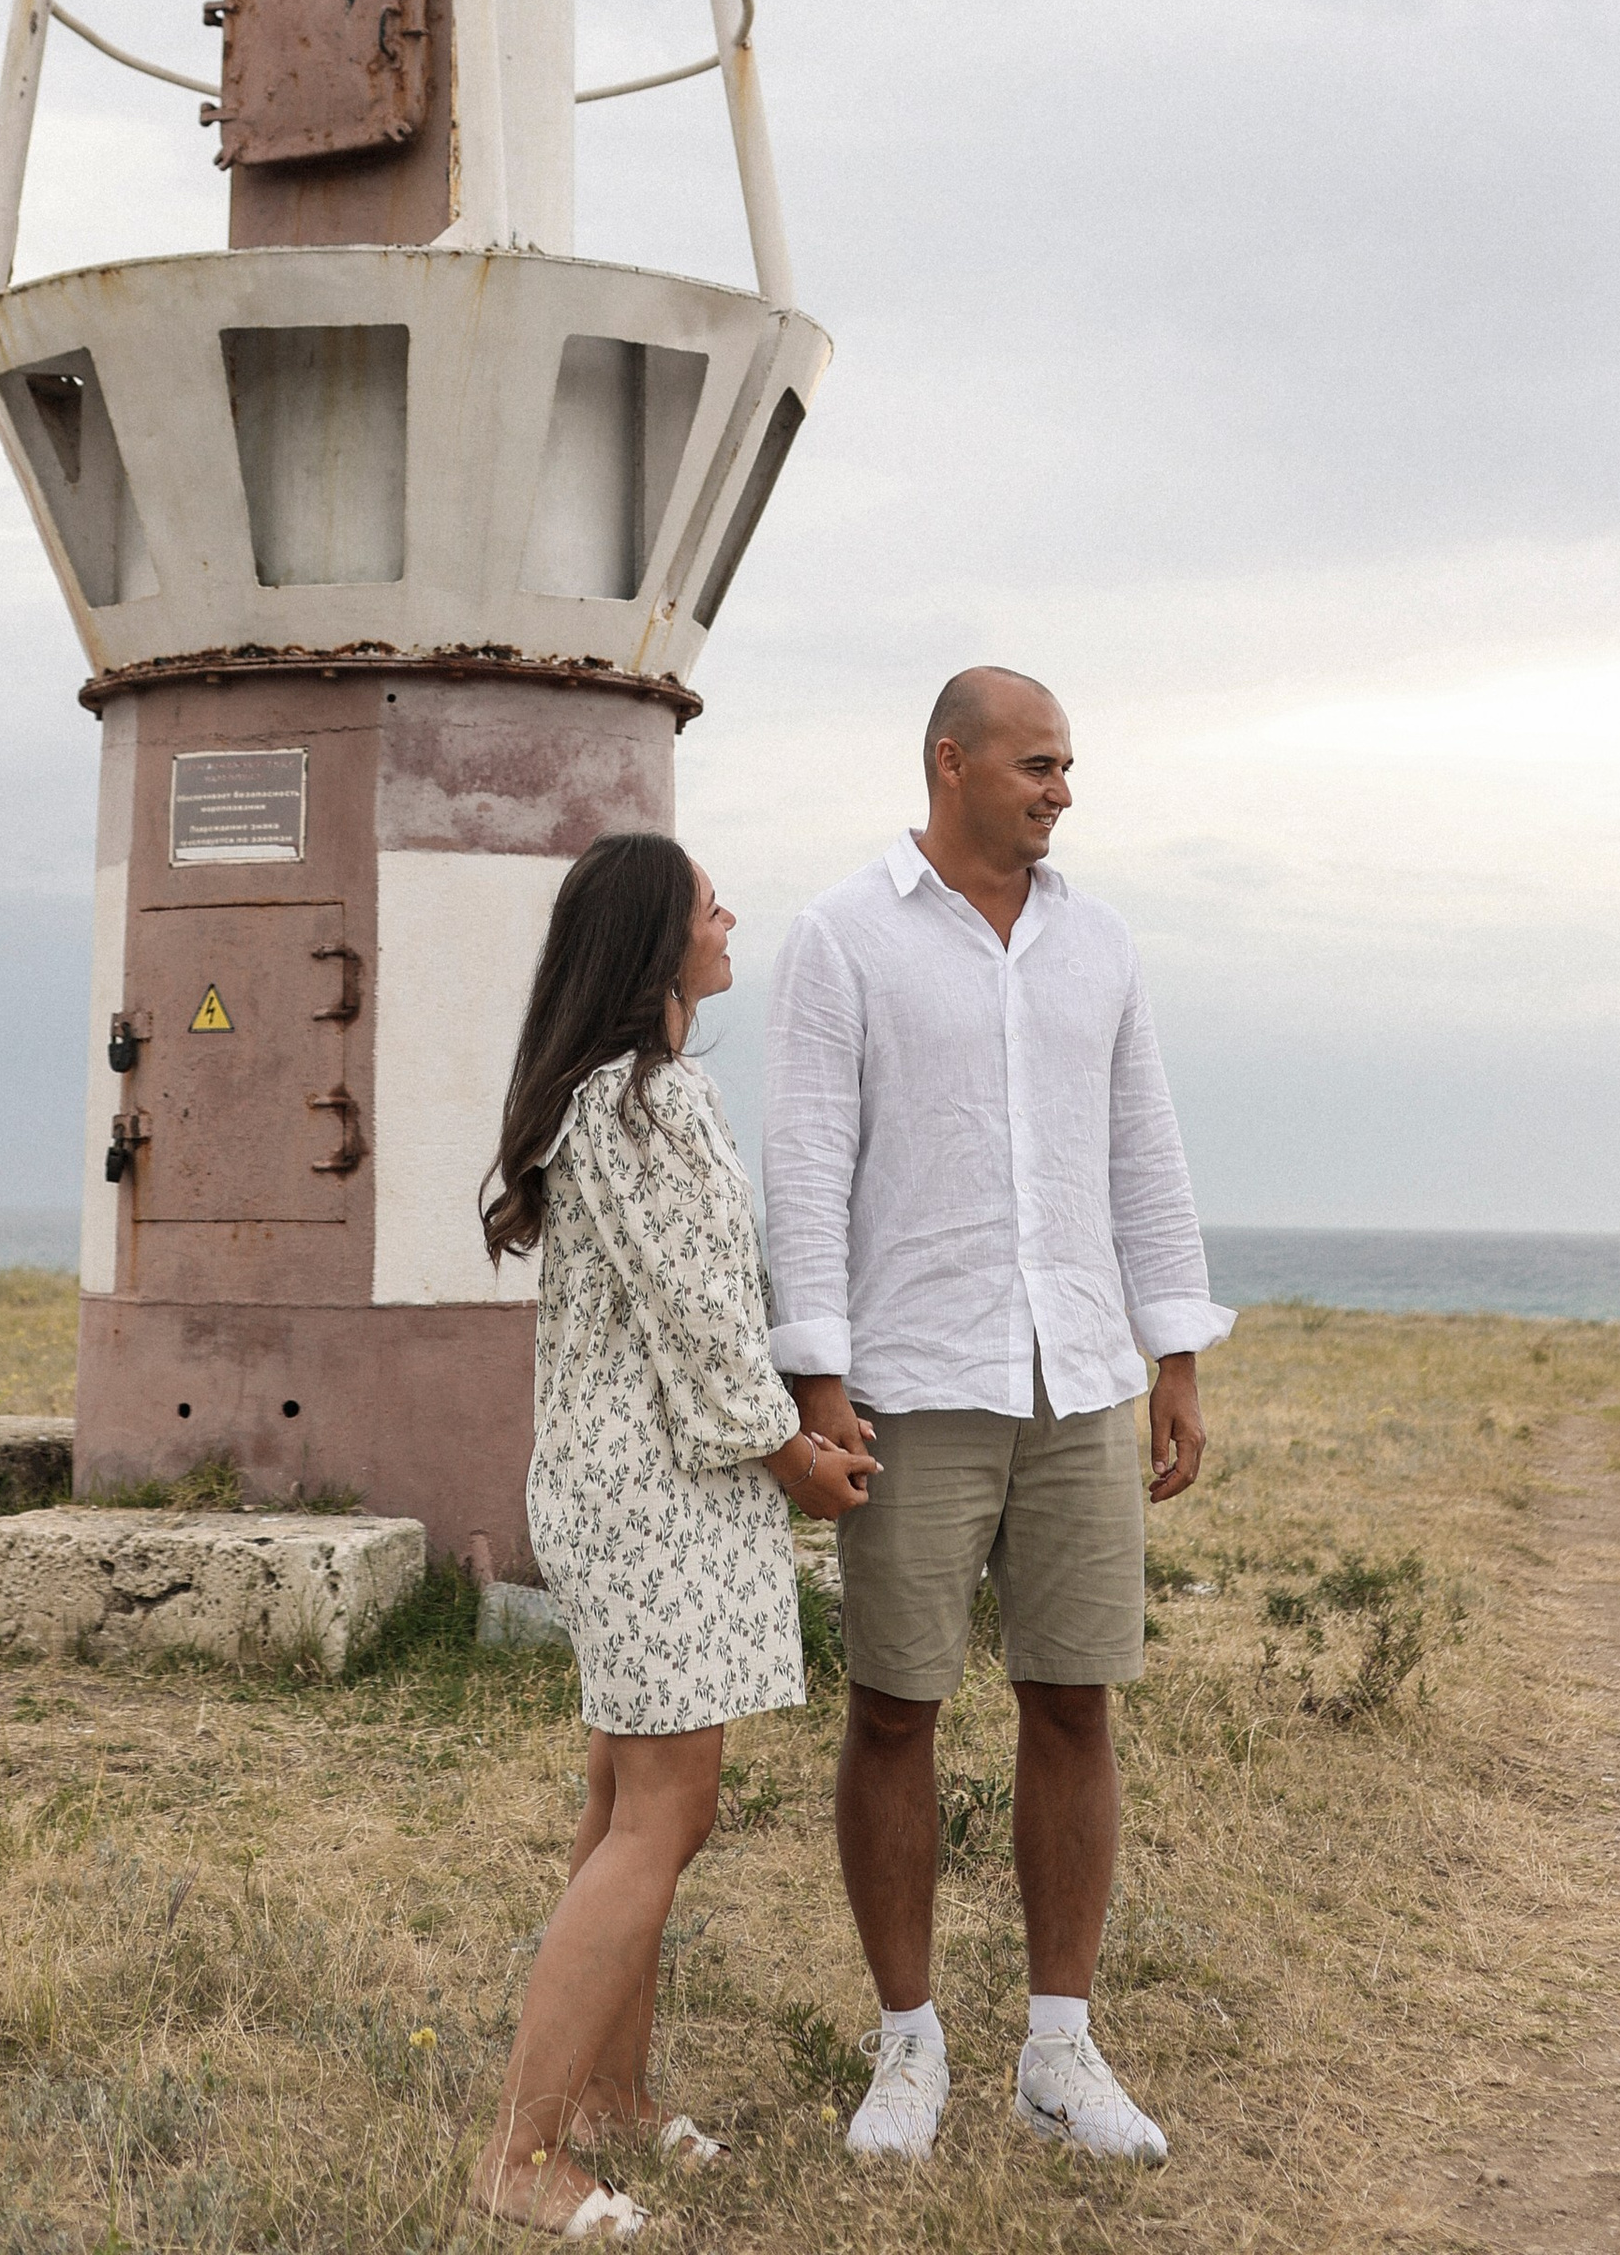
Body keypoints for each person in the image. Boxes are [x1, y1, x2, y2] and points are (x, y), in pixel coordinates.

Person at [762, 667, 1232, 2168]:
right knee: (897, 1706)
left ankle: (1059, 2046)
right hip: (911, 1383)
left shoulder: (1102, 944)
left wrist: (1174, 1354)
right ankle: (908, 2048)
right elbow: (806, 1166)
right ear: (951, 763)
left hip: (1081, 1376)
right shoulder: (841, 939)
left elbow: (1143, 1152)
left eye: (1071, 766)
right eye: (1038, 764)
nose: (1063, 791)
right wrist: (819, 1386)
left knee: (1074, 1697)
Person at [473, 831, 878, 2237]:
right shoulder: (651, 1101)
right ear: (657, 944)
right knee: (665, 1810)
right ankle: (521, 2154)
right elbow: (707, 1326)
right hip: (655, 1494)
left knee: (621, 1796)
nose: (728, 919)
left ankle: (609, 2097)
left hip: (619, 1485)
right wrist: (796, 1461)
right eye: (708, 903)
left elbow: (684, 1315)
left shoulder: (605, 1099)